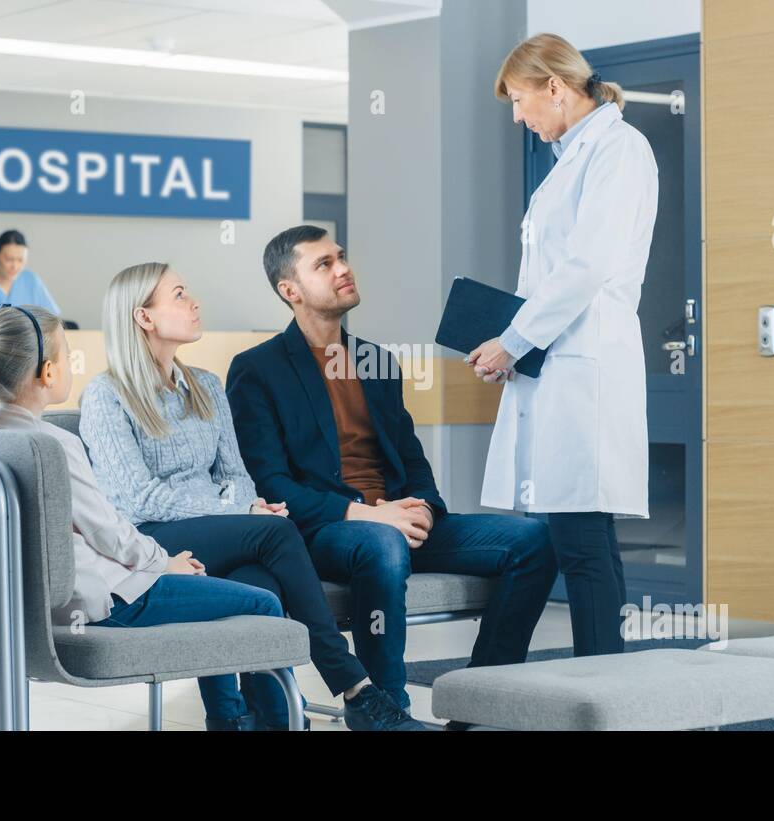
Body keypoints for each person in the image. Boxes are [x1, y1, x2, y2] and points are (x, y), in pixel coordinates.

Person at [226, 225, 558, 722]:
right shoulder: (257, 369)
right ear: (289, 291)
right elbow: (270, 484)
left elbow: (410, 456)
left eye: (341, 257)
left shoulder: (375, 361)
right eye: (324, 264)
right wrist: (368, 515)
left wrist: (423, 504)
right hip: (323, 532)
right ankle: (384, 708)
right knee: (381, 544)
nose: (343, 269)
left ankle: (480, 698)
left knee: (534, 540)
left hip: (396, 519)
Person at [78, 262, 427, 731]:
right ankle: (355, 687)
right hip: (151, 536)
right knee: (278, 533)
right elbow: (137, 498)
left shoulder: (205, 385)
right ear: (144, 317)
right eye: (180, 295)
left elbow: (237, 475)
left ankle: (260, 719)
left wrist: (246, 506)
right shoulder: (106, 395)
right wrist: (239, 512)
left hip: (221, 529)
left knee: (258, 583)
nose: (195, 302)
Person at [0, 303, 297, 731]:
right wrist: (165, 563)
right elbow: (109, 532)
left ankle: (231, 720)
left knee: (211, 594)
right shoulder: (50, 444)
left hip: (25, 614)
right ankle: (271, 724)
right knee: (262, 603)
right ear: (48, 373)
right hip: (102, 606)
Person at [464, 33, 659, 657]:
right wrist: (512, 346)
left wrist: (514, 341)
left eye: (521, 101)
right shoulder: (571, 158)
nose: (519, 118)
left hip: (585, 368)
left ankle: (603, 694)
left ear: (555, 86)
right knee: (559, 535)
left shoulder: (619, 149)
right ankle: (491, 683)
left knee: (581, 537)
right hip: (556, 362)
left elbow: (586, 266)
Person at [0, 230, 61, 326]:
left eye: (20, 260)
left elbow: (51, 321)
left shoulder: (32, 281)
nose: (15, 266)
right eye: (9, 259)